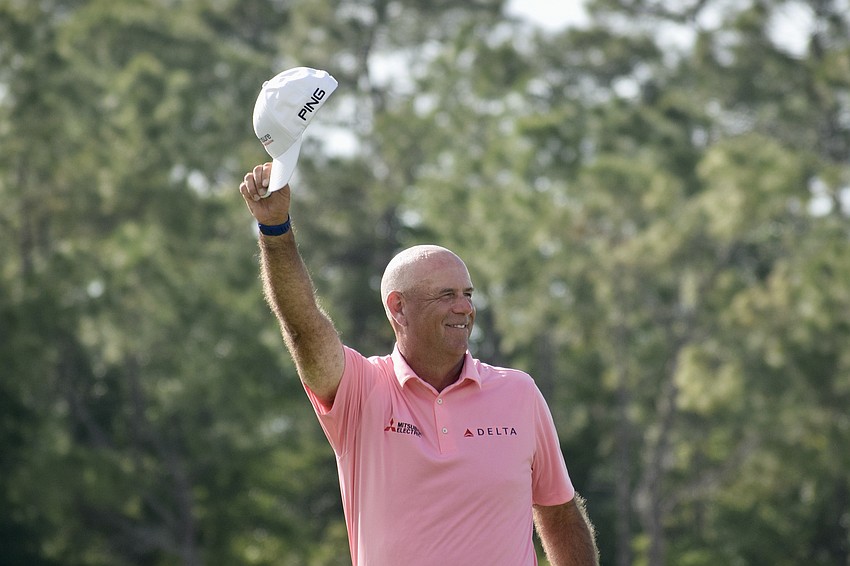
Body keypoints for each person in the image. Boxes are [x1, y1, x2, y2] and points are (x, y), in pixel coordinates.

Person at [239, 162, 599, 566]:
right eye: (445, 295)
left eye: (467, 293)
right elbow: (304, 325)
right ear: (398, 308)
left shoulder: (519, 391)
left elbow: (559, 512)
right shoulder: (361, 389)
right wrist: (275, 230)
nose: (464, 308)